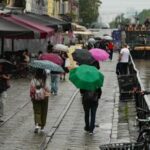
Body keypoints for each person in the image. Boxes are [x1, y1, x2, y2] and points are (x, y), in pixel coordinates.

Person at [30, 68, 50, 133]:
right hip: (45, 97)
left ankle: (37, 125)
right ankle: (42, 126)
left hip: (35, 97)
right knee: (44, 111)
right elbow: (48, 88)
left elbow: (31, 89)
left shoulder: (33, 80)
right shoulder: (45, 80)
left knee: (37, 111)